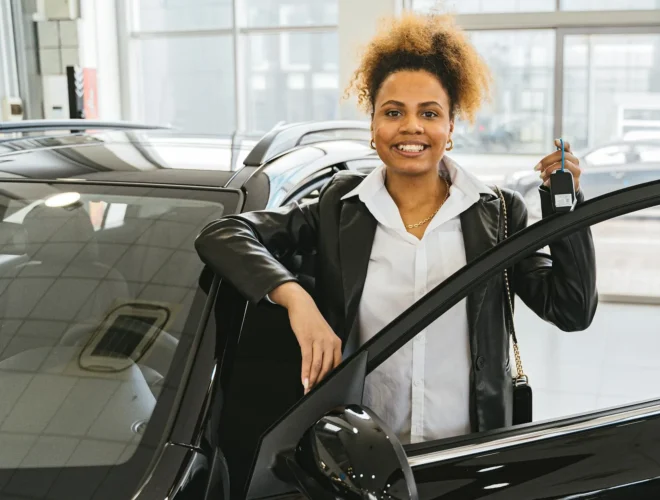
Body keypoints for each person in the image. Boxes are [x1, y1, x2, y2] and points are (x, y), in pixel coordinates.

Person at [195, 12, 597, 444]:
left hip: (465, 455)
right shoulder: (339, 208)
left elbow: (571, 310)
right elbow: (224, 235)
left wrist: (566, 208)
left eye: (429, 112)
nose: (411, 127)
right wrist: (297, 301)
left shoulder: (497, 214)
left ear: (450, 127)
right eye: (393, 112)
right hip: (362, 458)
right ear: (373, 126)